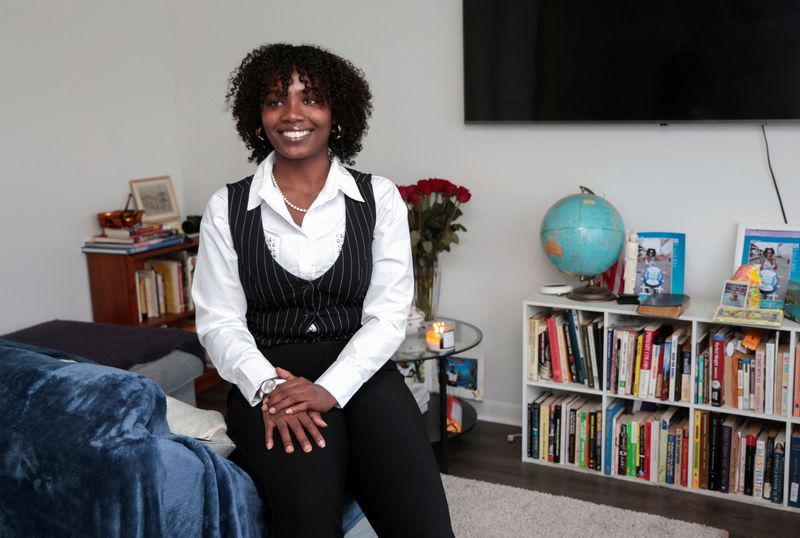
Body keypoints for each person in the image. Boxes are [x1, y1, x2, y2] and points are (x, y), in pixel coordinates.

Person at [192, 43, 453, 537]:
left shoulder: (379, 198)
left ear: (337, 114)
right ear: (257, 118)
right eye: (274, 101)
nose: (292, 114)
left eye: (310, 99)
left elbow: (387, 315)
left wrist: (329, 389)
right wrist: (271, 389)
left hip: (363, 371)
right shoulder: (226, 207)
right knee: (309, 513)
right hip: (268, 379)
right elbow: (219, 322)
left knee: (422, 518)